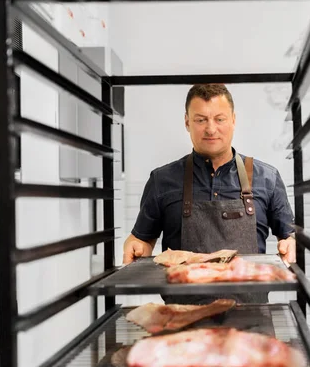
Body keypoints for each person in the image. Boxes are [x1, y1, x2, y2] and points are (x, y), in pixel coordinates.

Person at [122, 83, 296, 305]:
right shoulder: (161, 180)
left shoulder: (268, 178)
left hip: (251, 322)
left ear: (233, 120)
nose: (211, 129)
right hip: (182, 323)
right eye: (201, 119)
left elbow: (288, 237)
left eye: (219, 119)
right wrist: (136, 245)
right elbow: (142, 240)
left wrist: (291, 242)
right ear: (187, 122)